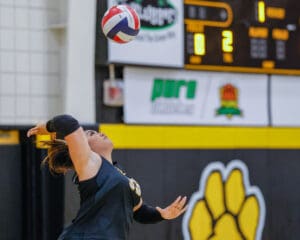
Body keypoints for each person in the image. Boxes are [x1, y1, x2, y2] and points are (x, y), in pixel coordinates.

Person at [27, 114, 187, 240]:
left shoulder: (118, 172)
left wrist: (161, 214)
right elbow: (67, 122)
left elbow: (138, 211)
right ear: (82, 147)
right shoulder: (89, 162)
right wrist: (46, 128)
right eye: (91, 134)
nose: (99, 133)